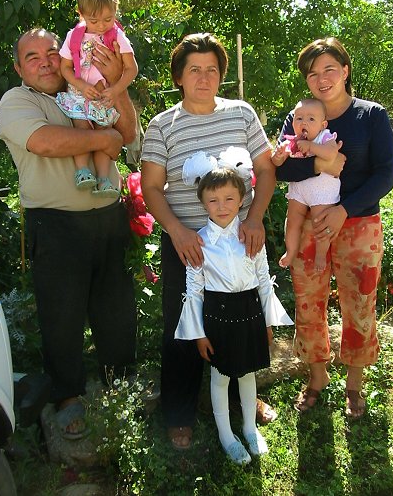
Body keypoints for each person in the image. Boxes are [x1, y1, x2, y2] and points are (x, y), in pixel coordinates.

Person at [0, 27, 138, 439]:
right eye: (32, 57)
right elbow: (45, 142)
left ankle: (121, 386)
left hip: (108, 218)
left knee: (117, 308)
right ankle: (68, 397)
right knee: (61, 316)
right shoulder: (17, 100)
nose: (44, 61)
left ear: (63, 55)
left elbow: (127, 133)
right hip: (55, 223)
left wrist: (116, 86)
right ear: (18, 67)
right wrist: (104, 137)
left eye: (50, 52)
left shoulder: (88, 87)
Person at [141, 33, 276, 450]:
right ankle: (179, 410)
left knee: (245, 317)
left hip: (241, 241)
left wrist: (254, 220)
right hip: (188, 245)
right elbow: (150, 188)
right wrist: (178, 232)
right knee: (184, 325)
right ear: (179, 77)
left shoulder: (241, 113)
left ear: (221, 75)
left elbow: (266, 172)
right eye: (194, 70)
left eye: (212, 70)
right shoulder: (163, 124)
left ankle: (243, 398)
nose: (204, 77)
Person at [275, 37, 393, 418]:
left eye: (329, 69)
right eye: (313, 73)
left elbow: (385, 175)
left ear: (345, 71)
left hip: (359, 223)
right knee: (308, 300)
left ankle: (355, 386)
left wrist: (344, 209)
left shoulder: (370, 116)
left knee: (358, 303)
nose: (322, 78)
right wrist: (319, 165)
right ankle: (317, 376)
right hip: (308, 222)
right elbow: (282, 167)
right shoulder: (299, 117)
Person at [175, 151, 292, 464]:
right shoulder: (198, 242)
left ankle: (249, 428)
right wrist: (199, 334)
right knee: (220, 376)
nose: (222, 207)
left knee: (248, 373)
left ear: (242, 200)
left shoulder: (249, 236)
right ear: (203, 203)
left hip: (250, 312)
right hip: (218, 316)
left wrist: (268, 322)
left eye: (229, 199)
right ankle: (226, 434)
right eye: (213, 201)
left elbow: (264, 281)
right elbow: (194, 291)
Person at [56, 0, 138, 197]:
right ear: (80, 14)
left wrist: (116, 88)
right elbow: (64, 68)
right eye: (94, 20)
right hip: (80, 93)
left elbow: (132, 69)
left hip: (103, 95)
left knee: (104, 131)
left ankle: (104, 179)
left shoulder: (117, 36)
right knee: (81, 129)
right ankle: (82, 171)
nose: (101, 26)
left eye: (108, 19)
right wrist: (80, 85)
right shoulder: (74, 36)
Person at [272, 98, 340, 271]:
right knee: (292, 220)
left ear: (323, 124)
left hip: (322, 189)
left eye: (311, 119)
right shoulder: (291, 141)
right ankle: (291, 251)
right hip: (299, 189)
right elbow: (277, 164)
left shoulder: (325, 137)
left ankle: (320, 255)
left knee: (320, 224)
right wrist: (279, 156)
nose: (304, 123)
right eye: (299, 118)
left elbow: (331, 154)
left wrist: (310, 146)